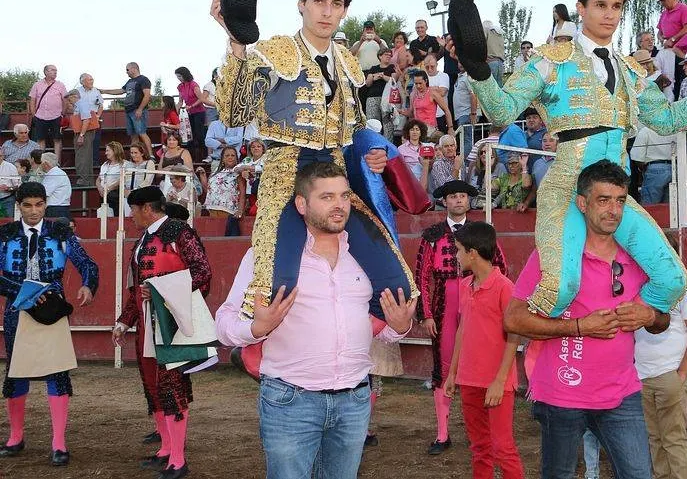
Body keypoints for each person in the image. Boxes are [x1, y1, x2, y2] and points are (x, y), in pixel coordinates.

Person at [449, 0, 687, 318]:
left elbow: (666, 120)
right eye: (601, 4)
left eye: (616, 6)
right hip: (566, 190)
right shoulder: (550, 61)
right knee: (560, 289)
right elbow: (502, 109)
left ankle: (609, 335)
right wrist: (479, 71)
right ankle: (541, 349)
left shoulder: (632, 72)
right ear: (580, 8)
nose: (609, 14)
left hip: (615, 197)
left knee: (673, 280)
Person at [214, 162, 416, 479]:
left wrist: (400, 326)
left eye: (344, 196)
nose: (338, 205)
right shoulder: (268, 255)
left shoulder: (368, 256)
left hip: (354, 400)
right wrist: (257, 328)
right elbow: (224, 323)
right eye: (326, 197)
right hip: (290, 402)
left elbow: (382, 328)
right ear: (301, 204)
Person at [504, 160, 671, 479]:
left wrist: (649, 314)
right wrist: (580, 327)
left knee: (639, 475)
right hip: (561, 394)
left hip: (621, 393)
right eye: (603, 200)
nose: (613, 210)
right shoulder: (552, 256)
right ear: (582, 203)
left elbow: (662, 322)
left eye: (620, 200)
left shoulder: (638, 255)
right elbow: (513, 320)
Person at [113, 185, 212, 479]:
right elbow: (137, 290)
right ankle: (166, 449)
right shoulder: (143, 240)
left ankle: (178, 461)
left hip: (172, 321)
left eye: (133, 210)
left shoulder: (179, 231)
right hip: (146, 323)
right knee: (154, 387)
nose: (130, 216)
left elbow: (202, 272)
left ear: (146, 208)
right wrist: (124, 321)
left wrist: (159, 291)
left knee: (171, 387)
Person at [0, 182, 97, 467]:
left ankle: (59, 442)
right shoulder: (5, 235)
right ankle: (16, 437)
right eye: (27, 205)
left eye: (38, 205)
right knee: (16, 372)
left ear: (45, 204)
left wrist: (89, 286)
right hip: (18, 311)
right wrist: (26, 292)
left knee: (57, 373)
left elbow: (88, 265)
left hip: (53, 311)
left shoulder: (60, 232)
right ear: (19, 205)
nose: (33, 211)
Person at [415, 180, 507, 455]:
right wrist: (426, 314)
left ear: (469, 201)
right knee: (443, 365)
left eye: (462, 196)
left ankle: (480, 429)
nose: (458, 201)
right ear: (444, 201)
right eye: (453, 196)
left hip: (477, 296)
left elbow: (499, 267)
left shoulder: (482, 234)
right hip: (445, 299)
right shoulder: (432, 234)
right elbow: (422, 275)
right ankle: (443, 434)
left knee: (481, 359)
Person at [443, 222, 524, 479]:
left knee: (503, 448)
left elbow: (514, 335)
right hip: (469, 381)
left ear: (472, 253)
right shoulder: (466, 286)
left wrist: (500, 380)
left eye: (458, 250)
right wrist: (453, 373)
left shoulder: (504, 287)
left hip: (496, 383)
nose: (455, 256)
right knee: (479, 447)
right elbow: (461, 331)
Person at [635, 285, 687, 479]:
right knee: (655, 440)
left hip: (671, 374)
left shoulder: (685, 291)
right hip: (642, 376)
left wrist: (681, 374)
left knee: (673, 439)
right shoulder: (638, 289)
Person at [101, 62, 153, 155]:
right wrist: (104, 91)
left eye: (127, 70)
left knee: (142, 133)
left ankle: (150, 155)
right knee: (133, 135)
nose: (126, 72)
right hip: (129, 111)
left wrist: (140, 109)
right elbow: (121, 91)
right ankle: (134, 155)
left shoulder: (143, 79)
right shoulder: (129, 82)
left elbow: (147, 95)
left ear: (134, 69)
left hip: (137, 110)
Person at [27, 65, 67, 161]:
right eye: (53, 70)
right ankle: (40, 162)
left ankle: (57, 163)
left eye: (56, 70)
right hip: (40, 116)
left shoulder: (60, 85)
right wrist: (34, 115)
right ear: (46, 72)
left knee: (57, 139)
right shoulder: (37, 84)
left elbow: (65, 99)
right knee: (40, 139)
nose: (55, 72)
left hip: (56, 116)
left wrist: (63, 113)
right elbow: (32, 100)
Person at [196, 145, 245, 218]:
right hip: (212, 208)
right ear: (222, 159)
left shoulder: (238, 173)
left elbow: (242, 194)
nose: (230, 157)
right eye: (227, 155)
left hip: (229, 211)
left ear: (236, 158)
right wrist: (203, 175)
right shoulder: (216, 172)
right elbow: (208, 189)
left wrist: (240, 211)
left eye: (233, 155)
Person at [631, 123, 674, 205]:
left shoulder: (646, 131)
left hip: (653, 169)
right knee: (670, 209)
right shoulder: (674, 131)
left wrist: (643, 168)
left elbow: (637, 157)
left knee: (650, 208)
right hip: (673, 169)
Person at [364, 48, 397, 141]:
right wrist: (374, 77)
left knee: (388, 124)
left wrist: (381, 76)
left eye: (390, 55)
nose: (388, 56)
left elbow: (393, 81)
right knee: (372, 122)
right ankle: (373, 142)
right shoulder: (373, 68)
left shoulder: (392, 67)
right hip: (373, 97)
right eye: (386, 54)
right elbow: (368, 83)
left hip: (387, 98)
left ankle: (388, 144)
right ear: (380, 56)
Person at [175, 67, 206, 160]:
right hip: (188, 113)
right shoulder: (180, 87)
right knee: (189, 135)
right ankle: (191, 156)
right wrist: (176, 111)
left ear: (185, 75)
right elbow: (180, 101)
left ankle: (203, 155)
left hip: (199, 111)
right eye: (177, 77)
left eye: (180, 76)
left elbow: (201, 99)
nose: (179, 78)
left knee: (199, 134)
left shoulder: (194, 85)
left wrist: (192, 106)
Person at [521, 132, 557, 211]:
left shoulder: (562, 161)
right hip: (541, 207)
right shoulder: (537, 163)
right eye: (544, 141)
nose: (547, 144)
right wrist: (526, 203)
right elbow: (534, 189)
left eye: (551, 140)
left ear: (557, 143)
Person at [454, 62, 480, 160]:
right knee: (464, 139)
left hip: (467, 113)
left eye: (463, 61)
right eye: (459, 62)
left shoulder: (469, 76)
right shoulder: (461, 76)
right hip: (462, 114)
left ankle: (467, 164)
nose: (461, 64)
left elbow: (473, 95)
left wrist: (473, 113)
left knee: (467, 139)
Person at [97, 141, 131, 216]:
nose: (106, 153)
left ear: (115, 151)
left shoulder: (125, 164)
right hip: (103, 194)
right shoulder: (104, 164)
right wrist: (100, 188)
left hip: (116, 194)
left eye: (108, 150)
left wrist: (109, 189)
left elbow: (123, 179)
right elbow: (99, 178)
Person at [397, 119, 431, 186]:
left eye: (417, 129)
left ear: (421, 133)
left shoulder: (426, 147)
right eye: (412, 130)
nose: (414, 132)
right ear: (408, 132)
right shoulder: (401, 149)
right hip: (409, 179)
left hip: (426, 175)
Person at [39, 153, 71, 219]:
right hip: (57, 208)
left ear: (46, 164)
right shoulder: (54, 173)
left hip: (56, 209)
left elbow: (44, 192)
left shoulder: (55, 174)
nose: (40, 165)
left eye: (40, 163)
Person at [0, 151, 20, 216]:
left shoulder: (10, 167)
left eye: (0, 156)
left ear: (3, 156)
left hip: (7, 200)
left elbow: (18, 186)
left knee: (9, 221)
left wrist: (8, 188)